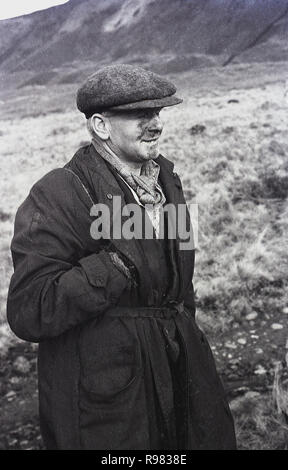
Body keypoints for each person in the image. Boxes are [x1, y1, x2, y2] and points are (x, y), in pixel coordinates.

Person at [7, 64, 236, 450]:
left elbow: (182, 286)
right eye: (140, 115)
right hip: (110, 399)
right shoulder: (60, 193)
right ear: (100, 125)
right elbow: (30, 310)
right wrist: (113, 267)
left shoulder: (166, 181)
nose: (156, 124)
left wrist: (188, 345)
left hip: (181, 374)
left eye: (159, 113)